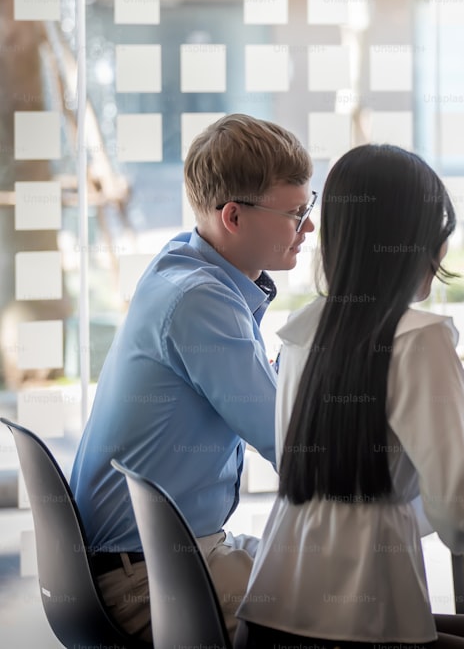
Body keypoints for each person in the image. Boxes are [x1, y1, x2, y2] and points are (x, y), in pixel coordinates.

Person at [236, 144, 464, 649]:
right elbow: (458, 518)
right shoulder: (420, 337)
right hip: (355, 629)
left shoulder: (303, 333)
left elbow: (381, 483)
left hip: (267, 625)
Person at [69, 113, 315, 641]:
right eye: (297, 212)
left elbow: (268, 401)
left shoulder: (185, 266)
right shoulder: (200, 300)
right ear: (233, 216)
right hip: (148, 579)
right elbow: (296, 446)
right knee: (351, 599)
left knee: (342, 583)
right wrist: (420, 421)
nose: (309, 226)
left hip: (159, 558)